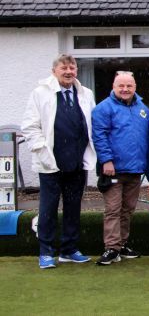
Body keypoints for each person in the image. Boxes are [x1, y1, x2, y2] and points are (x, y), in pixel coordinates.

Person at [22, 54, 96, 268]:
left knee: (73, 209)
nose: (68, 72)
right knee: (48, 209)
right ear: (54, 71)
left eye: (72, 68)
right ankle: (46, 252)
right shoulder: (40, 93)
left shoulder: (85, 93)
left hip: (77, 163)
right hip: (50, 163)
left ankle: (69, 250)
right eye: (64, 68)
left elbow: (90, 125)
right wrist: (41, 149)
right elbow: (30, 126)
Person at [91, 71, 149, 266]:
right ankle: (111, 247)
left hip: (135, 170)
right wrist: (106, 161)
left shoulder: (143, 109)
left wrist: (147, 165)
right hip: (113, 171)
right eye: (121, 86)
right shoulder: (103, 108)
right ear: (113, 86)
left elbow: (147, 139)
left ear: (135, 87)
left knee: (128, 210)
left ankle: (122, 245)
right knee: (113, 210)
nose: (125, 89)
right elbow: (99, 136)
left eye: (129, 86)